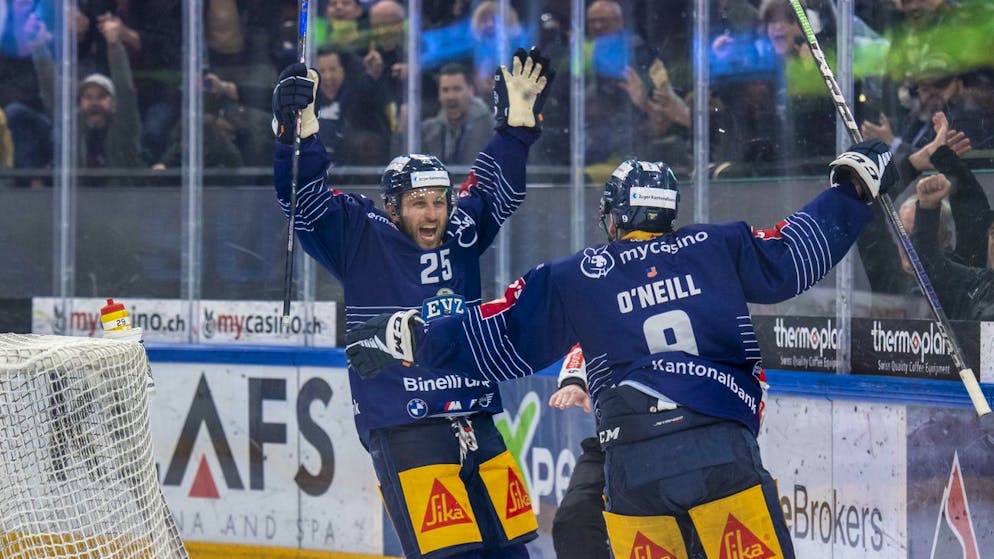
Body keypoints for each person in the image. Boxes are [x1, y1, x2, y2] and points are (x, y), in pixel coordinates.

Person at [347, 143, 897, 558]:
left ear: (613, 216)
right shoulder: (717, 244)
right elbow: (796, 255)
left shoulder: (578, 274)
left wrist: (408, 337)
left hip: (634, 466)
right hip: (722, 449)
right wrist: (852, 188)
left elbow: (499, 336)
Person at [271, 47, 554, 559]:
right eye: (418, 203)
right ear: (392, 206)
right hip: (406, 426)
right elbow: (304, 203)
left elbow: (495, 191)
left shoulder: (461, 229)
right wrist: (298, 136)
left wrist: (516, 130)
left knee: (513, 553)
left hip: (477, 420)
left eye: (439, 201)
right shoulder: (360, 236)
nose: (432, 214)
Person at [421, 63, 495, 166]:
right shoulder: (426, 131)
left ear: (471, 91)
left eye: (457, 89)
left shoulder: (493, 128)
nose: (450, 96)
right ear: (439, 94)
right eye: (445, 90)